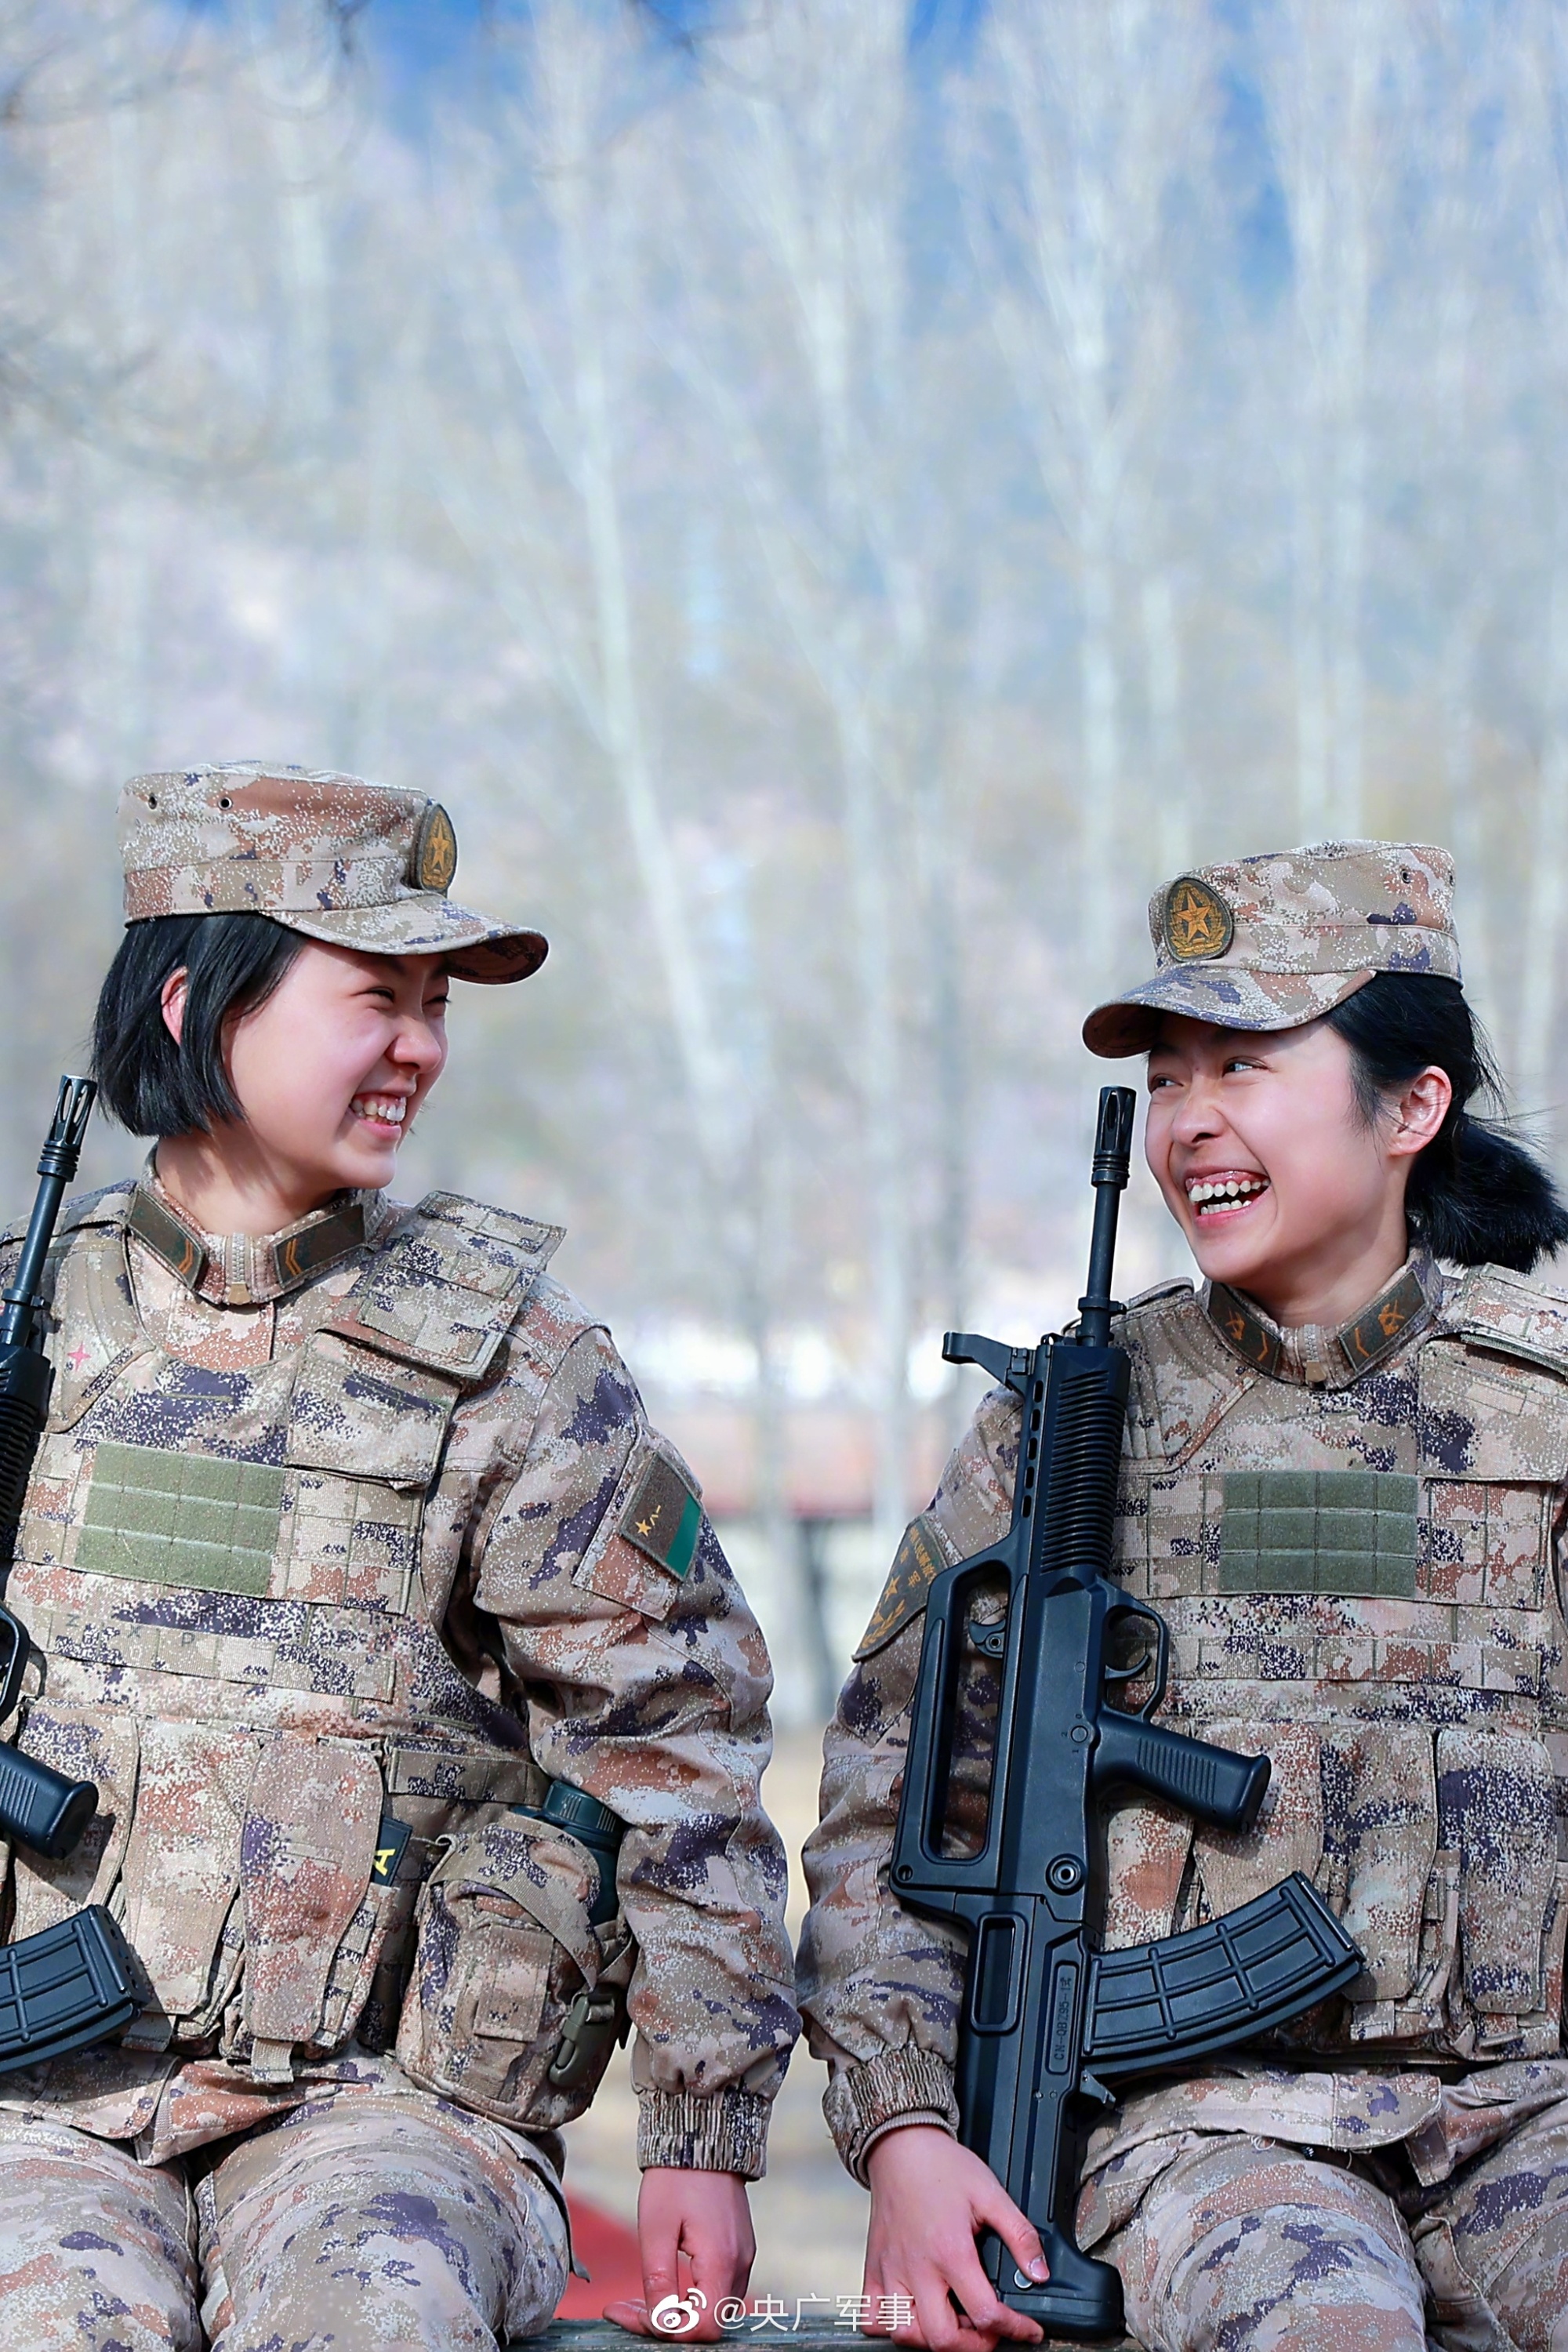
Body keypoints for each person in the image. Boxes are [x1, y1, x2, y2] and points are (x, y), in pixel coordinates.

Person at [0, 762, 797, 2352]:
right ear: (188, 1001)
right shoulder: (31, 1334)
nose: (421, 1045)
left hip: (387, 2119)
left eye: (438, 1003)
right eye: (378, 994)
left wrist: (704, 2133)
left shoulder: (513, 1363)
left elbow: (673, 1746)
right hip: (38, 2112)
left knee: (374, 2312)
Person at [799, 840, 1568, 2352]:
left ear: (1414, 1106)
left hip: (1533, 2111)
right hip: (1208, 2133)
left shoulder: (1545, 1404)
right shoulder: (1074, 1420)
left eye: (1245, 1066)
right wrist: (904, 2133)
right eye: (1168, 1078)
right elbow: (886, 1821)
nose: (1191, 1122)